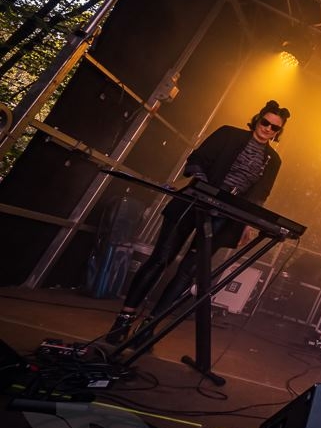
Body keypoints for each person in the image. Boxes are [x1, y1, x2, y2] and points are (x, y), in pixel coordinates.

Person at [104, 100, 290, 346]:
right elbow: (197, 160)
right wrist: (205, 188)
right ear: (257, 119)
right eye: (265, 122)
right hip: (192, 203)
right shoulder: (228, 133)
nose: (268, 129)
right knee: (161, 259)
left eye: (275, 127)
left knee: (188, 272)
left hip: (224, 216)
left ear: (278, 132)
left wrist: (249, 223)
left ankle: (149, 327)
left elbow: (259, 195)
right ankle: (123, 320)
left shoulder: (273, 160)